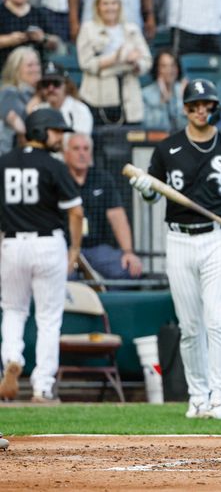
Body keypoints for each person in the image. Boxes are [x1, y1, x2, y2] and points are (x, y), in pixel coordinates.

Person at [128, 78, 221, 420]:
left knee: (218, 322)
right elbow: (153, 192)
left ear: (214, 107)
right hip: (178, 238)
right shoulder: (166, 149)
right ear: (185, 109)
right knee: (190, 326)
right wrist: (144, 189)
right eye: (193, 105)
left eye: (205, 104)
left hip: (220, 237)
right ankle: (197, 396)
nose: (199, 111)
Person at [0, 108, 83, 403]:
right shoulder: (53, 165)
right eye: (56, 131)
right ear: (40, 131)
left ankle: (12, 356)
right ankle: (42, 386)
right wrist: (75, 248)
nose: (61, 137)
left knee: (13, 310)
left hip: (11, 244)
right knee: (48, 318)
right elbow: (75, 210)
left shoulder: (4, 162)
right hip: (48, 244)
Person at [63, 132, 142, 280]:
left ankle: (106, 302)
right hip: (64, 247)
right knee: (57, 274)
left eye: (86, 149)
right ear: (65, 153)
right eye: (76, 149)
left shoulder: (102, 179)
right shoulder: (57, 179)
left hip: (96, 247)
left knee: (127, 269)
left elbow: (117, 217)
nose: (82, 153)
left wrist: (128, 252)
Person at [76, 0, 152, 127]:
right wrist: (117, 58)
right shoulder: (88, 29)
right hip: (98, 98)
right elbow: (86, 63)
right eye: (105, 3)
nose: (110, 8)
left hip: (129, 98)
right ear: (98, 6)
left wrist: (135, 63)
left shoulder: (132, 29)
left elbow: (146, 61)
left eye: (114, 3)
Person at [0, 0, 60, 70]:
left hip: (34, 70)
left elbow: (56, 43)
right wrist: (10, 39)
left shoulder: (38, 13)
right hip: (4, 69)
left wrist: (43, 38)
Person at [26, 62, 93, 137]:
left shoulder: (80, 109)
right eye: (46, 84)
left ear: (66, 85)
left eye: (56, 83)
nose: (51, 88)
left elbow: (80, 142)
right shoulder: (38, 109)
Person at [0, 46, 39, 155]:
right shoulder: (9, 92)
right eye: (30, 65)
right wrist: (38, 98)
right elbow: (22, 125)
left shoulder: (36, 93)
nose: (36, 69)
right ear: (16, 69)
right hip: (9, 156)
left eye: (37, 64)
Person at [142, 50, 187, 131]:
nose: (169, 70)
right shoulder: (146, 94)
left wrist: (182, 101)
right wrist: (163, 102)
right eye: (164, 66)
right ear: (157, 69)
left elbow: (184, 126)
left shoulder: (182, 90)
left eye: (173, 65)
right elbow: (150, 126)